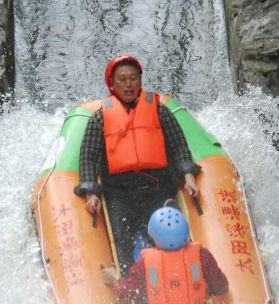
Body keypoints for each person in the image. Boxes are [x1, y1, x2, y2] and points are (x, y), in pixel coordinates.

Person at [74, 54, 201, 274]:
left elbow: (179, 146)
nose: (128, 84)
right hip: (119, 193)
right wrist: (90, 191)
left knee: (170, 236)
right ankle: (131, 291)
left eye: (133, 78)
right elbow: (88, 156)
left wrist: (188, 175)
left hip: (157, 189)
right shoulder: (100, 118)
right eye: (122, 79)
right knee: (122, 241)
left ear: (140, 80)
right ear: (112, 84)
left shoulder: (159, 110)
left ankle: (178, 284)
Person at [102, 206, 228, 304]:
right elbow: (221, 287)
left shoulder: (144, 265)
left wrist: (115, 280)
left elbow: (130, 299)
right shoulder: (203, 256)